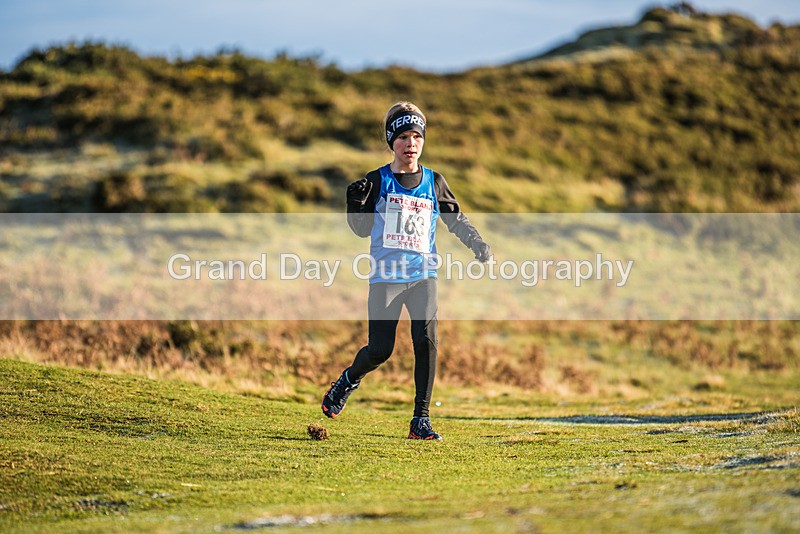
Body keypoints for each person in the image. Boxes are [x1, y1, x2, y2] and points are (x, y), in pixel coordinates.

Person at [321, 101, 491, 440]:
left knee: (426, 342)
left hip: (423, 274)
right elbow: (360, 229)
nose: (411, 144)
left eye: (417, 136)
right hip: (386, 277)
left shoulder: (434, 181)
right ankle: (348, 380)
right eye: (403, 137)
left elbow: (455, 218)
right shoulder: (377, 180)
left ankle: (421, 420)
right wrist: (353, 203)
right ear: (391, 141)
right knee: (380, 350)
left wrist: (476, 242)